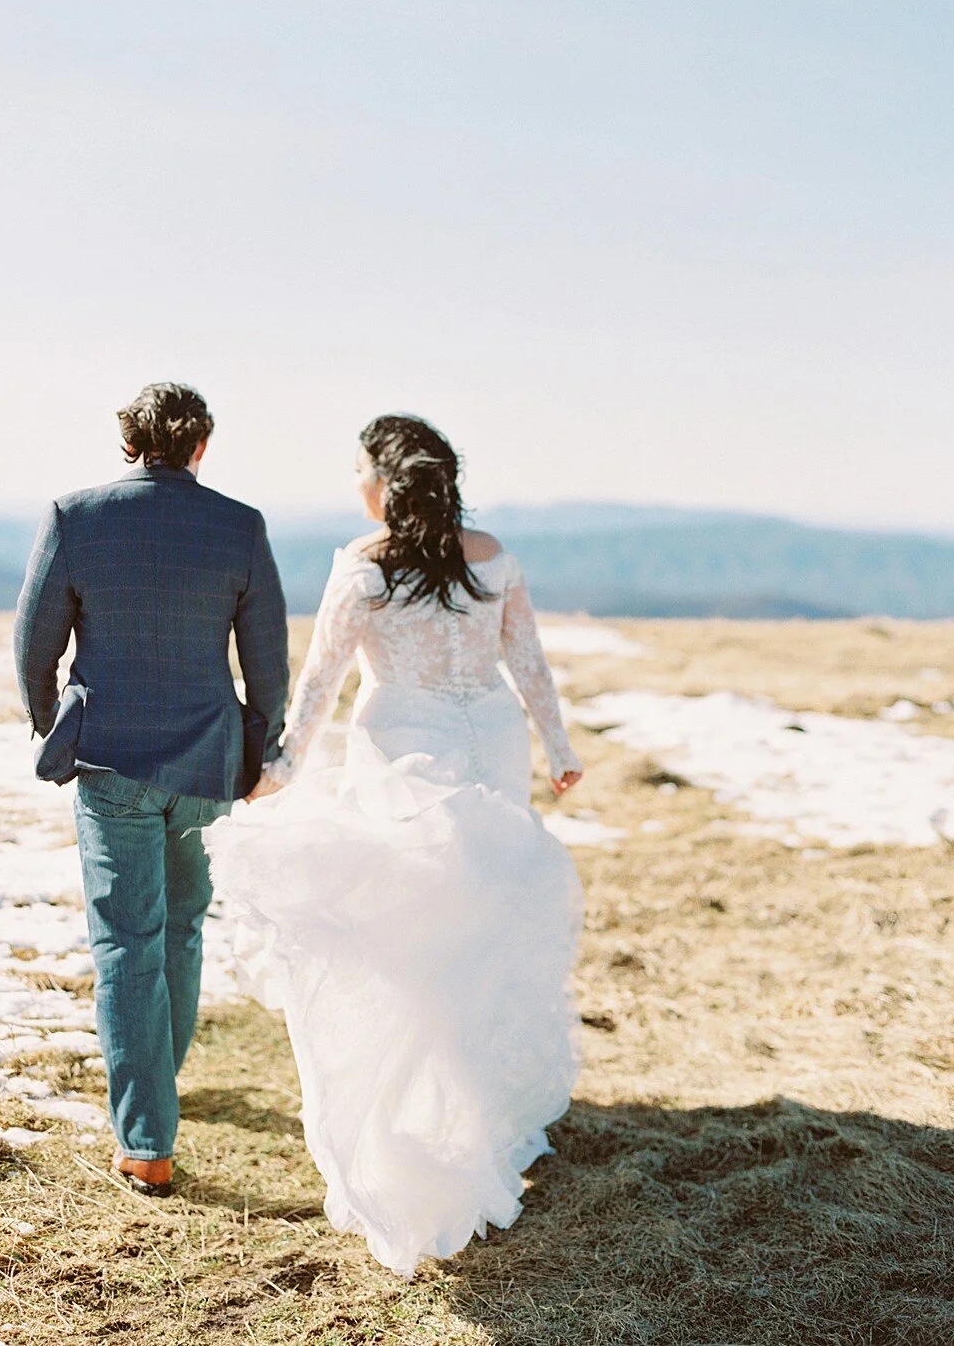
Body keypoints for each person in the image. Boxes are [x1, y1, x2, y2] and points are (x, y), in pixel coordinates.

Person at [207, 413, 584, 1276]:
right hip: (491, 746)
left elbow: (322, 677)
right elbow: (529, 664)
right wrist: (560, 751)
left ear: (381, 481)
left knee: (407, 937)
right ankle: (474, 1112)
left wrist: (285, 763)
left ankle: (422, 1114)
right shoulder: (493, 556)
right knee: (483, 927)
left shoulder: (364, 564)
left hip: (404, 750)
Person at [13, 382, 289, 1196]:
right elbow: (266, 662)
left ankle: (146, 1142)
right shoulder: (240, 526)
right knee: (181, 931)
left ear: (127, 443)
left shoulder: (74, 516)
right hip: (205, 765)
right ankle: (157, 1093)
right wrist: (258, 754)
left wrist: (52, 723)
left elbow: (33, 647)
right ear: (201, 447)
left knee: (126, 945)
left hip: (110, 762)